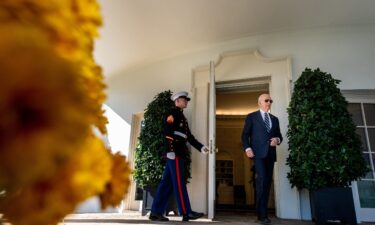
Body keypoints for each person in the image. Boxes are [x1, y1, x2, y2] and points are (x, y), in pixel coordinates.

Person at [149, 91, 209, 222]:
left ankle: (155, 212)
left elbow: (189, 137)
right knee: (179, 182)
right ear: (177, 101)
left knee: (167, 183)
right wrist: (170, 150)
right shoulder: (172, 113)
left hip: (178, 153)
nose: (186, 101)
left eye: (186, 100)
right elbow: (168, 132)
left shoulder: (182, 117)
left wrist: (201, 147)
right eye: (184, 99)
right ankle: (186, 212)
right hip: (174, 153)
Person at [241, 93, 283, 224]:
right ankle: (262, 214)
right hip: (258, 155)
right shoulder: (252, 117)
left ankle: (260, 212)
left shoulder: (275, 119)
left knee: (266, 183)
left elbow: (279, 136)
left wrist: (277, 139)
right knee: (263, 180)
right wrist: (248, 148)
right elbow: (244, 135)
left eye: (271, 100)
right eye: (266, 100)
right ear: (259, 102)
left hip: (270, 154)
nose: (269, 102)